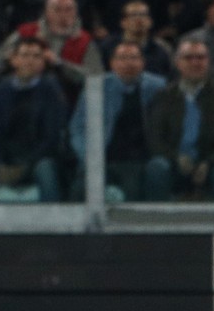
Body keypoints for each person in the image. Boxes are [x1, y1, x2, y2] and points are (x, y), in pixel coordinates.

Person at [0, 34, 71, 202]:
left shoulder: (51, 91)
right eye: (24, 55)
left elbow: (51, 137)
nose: (30, 60)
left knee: (46, 169)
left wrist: (24, 167)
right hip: (6, 159)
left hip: (37, 160)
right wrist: (0, 164)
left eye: (36, 56)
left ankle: (53, 219)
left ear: (43, 62)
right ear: (13, 60)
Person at [144, 38, 214, 202]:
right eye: (188, 58)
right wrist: (176, 158)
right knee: (157, 167)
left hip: (212, 164)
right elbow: (155, 138)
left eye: (200, 58)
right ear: (178, 63)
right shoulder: (164, 95)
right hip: (174, 163)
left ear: (208, 62)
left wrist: (209, 162)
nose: (195, 63)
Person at [70, 39, 165, 202]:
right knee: (80, 187)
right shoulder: (97, 87)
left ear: (143, 62)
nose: (129, 63)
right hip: (103, 156)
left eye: (134, 58)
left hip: (140, 158)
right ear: (112, 63)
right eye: (122, 58)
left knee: (132, 188)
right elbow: (78, 128)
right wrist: (89, 156)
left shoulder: (158, 87)